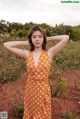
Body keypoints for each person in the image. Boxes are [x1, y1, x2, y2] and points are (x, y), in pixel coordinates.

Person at [3, 25, 69, 119]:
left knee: (43, 114)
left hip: (43, 91)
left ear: (43, 38)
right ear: (31, 39)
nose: (37, 39)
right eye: (34, 37)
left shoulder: (49, 53)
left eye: (40, 36)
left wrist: (47, 38)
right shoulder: (27, 54)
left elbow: (66, 37)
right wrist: (27, 43)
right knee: (30, 113)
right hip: (30, 91)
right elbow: (6, 44)